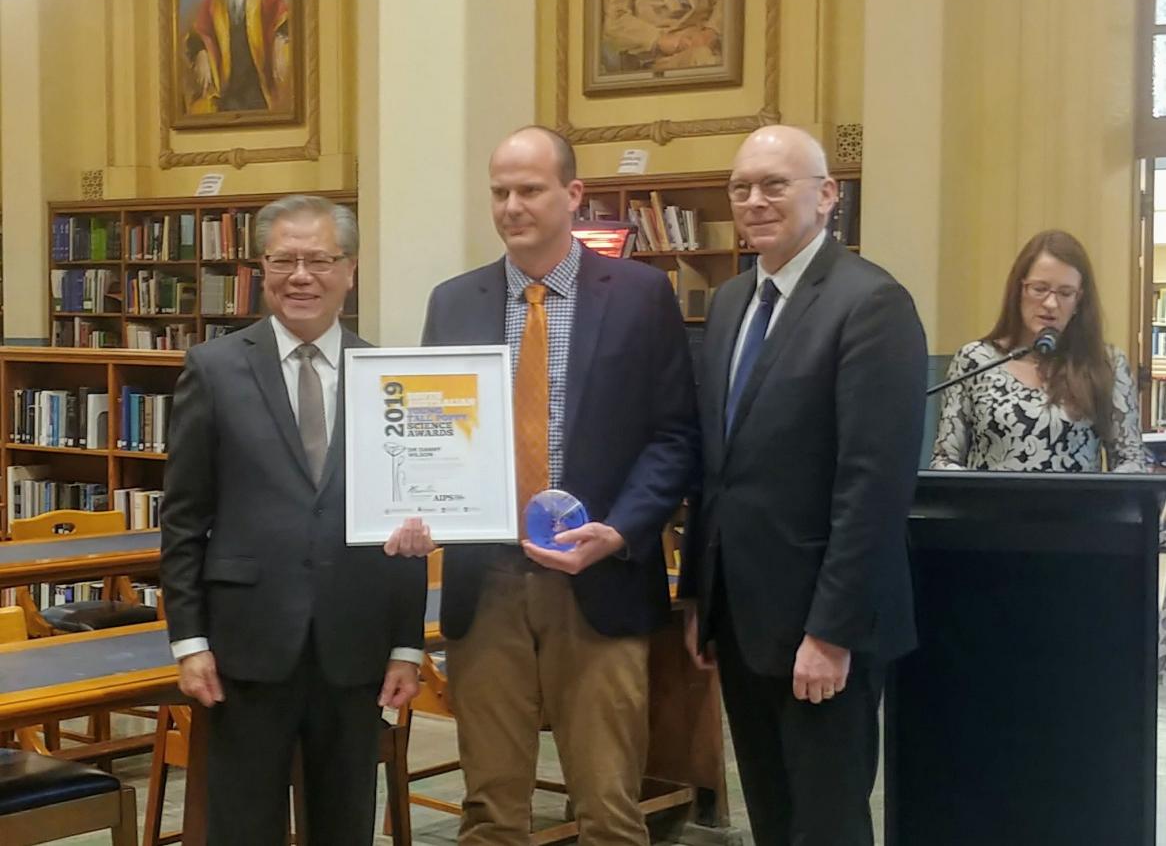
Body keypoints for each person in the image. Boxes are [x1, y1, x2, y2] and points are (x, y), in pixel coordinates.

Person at [414, 126, 698, 845]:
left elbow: (674, 437)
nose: (513, 206)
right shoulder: (454, 302)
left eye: (530, 190)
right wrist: (415, 500)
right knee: (490, 809)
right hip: (488, 584)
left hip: (599, 579)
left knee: (608, 807)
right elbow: (429, 436)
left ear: (573, 195)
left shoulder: (640, 295)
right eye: (500, 192)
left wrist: (624, 528)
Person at [679, 125, 928, 845]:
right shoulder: (729, 303)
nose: (753, 200)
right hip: (743, 615)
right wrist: (701, 590)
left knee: (826, 822)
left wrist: (832, 630)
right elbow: (715, 466)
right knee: (773, 815)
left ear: (827, 195)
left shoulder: (871, 304)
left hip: (825, 627)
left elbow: (872, 487)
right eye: (740, 187)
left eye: (773, 184)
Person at [160, 194, 430, 846]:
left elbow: (408, 520)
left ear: (350, 270)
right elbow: (183, 516)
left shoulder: (386, 375)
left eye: (319, 259)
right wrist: (189, 639)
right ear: (262, 267)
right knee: (242, 823)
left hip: (355, 643)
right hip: (244, 646)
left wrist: (406, 642)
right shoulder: (214, 369)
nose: (301, 275)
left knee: (345, 822)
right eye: (284, 259)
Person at [931, 229, 1147, 472]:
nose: (1050, 304)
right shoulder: (974, 360)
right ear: (1019, 289)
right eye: (1039, 289)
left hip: (1080, 509)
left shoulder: (1107, 363)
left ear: (1079, 301)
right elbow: (944, 459)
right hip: (989, 509)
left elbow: (1131, 461)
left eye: (1065, 293)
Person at [185, 0, 291, 115]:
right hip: (227, 89)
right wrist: (201, 53)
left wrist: (279, 41)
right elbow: (197, 33)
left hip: (257, 88)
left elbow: (286, 22)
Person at [602, 0, 723, 71]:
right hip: (661, 56)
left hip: (704, 39)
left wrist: (711, 31)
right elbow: (616, 19)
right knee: (705, 60)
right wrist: (658, 40)